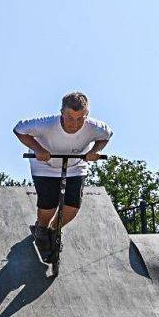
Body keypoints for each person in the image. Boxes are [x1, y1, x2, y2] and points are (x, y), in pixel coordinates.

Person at [13, 92, 112, 257]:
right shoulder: (46, 124)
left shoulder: (95, 127)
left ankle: (53, 230)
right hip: (45, 165)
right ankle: (42, 229)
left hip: (75, 164)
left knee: (73, 206)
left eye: (81, 118)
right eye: (70, 117)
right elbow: (19, 130)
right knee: (48, 204)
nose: (75, 123)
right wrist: (39, 149)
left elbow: (106, 136)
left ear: (87, 115)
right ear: (61, 112)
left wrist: (96, 151)